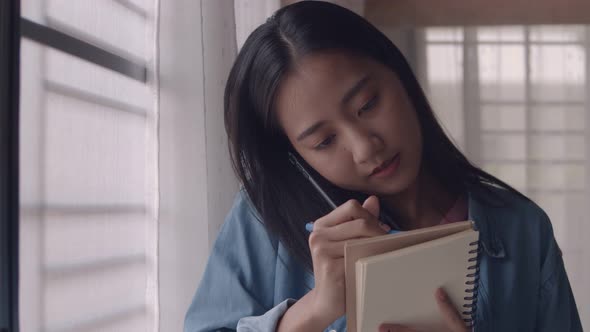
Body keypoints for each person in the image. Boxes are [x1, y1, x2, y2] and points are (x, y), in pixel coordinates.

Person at [184, 2, 582, 331]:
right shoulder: (264, 219)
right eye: (324, 141)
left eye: (368, 104)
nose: (364, 147)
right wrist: (315, 310)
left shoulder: (522, 229)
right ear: (295, 154)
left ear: (398, 73)